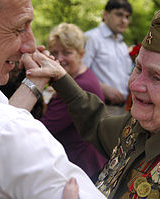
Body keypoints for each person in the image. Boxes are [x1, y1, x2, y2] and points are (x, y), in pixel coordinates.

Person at [21, 5, 160, 199]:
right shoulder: (149, 122)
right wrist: (61, 77)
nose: (134, 85)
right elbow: (97, 122)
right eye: (138, 68)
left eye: (156, 77)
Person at [0, 1, 106, 199]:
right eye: (18, 29)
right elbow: (3, 131)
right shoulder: (10, 133)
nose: (31, 46)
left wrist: (35, 80)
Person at [39, 23, 108, 182]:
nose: (60, 59)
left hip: (82, 166)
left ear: (81, 54)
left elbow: (46, 127)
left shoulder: (80, 85)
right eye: (55, 52)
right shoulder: (82, 76)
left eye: (67, 52)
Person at [82, 0, 133, 115]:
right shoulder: (91, 38)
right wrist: (101, 88)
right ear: (105, 15)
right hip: (99, 108)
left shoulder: (122, 45)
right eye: (119, 14)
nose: (124, 20)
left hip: (123, 110)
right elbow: (78, 73)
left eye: (127, 16)